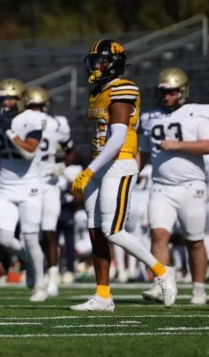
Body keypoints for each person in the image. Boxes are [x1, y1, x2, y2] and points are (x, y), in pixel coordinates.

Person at [70, 39, 177, 311]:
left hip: (119, 162)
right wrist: (92, 167)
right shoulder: (99, 89)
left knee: (113, 230)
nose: (96, 65)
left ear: (114, 63)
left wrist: (89, 170)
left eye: (101, 60)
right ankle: (103, 295)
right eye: (94, 61)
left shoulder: (122, 87)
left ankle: (163, 272)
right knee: (96, 232)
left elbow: (118, 137)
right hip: (100, 162)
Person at [0, 78, 48, 302]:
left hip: (30, 186)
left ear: (22, 99)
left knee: (31, 238)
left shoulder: (33, 118)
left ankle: (40, 284)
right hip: (5, 186)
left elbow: (29, 151)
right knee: (4, 238)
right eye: (2, 98)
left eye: (11, 98)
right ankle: (29, 261)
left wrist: (9, 131)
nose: (6, 102)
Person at [138, 68, 209, 305]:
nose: (167, 97)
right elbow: (144, 153)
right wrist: (128, 175)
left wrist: (177, 146)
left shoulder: (197, 113)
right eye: (164, 93)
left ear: (183, 91)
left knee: (194, 239)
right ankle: (161, 284)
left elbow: (207, 145)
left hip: (191, 185)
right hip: (161, 186)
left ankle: (198, 289)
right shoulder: (150, 117)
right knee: (158, 234)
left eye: (172, 92)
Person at [24, 85, 78, 297]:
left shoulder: (58, 123)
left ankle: (53, 279)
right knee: (31, 232)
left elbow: (71, 150)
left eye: (39, 106)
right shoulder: (22, 123)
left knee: (49, 230)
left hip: (50, 181)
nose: (36, 110)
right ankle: (37, 274)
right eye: (33, 106)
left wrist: (63, 165)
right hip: (29, 182)